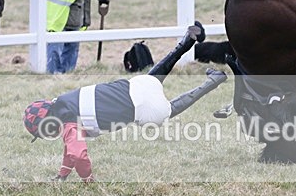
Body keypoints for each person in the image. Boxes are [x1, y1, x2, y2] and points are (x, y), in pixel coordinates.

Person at [24, 22, 228, 182]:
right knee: (156, 74)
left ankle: (213, 81)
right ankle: (187, 40)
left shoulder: (68, 124)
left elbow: (78, 154)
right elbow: (70, 152)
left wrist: (88, 180)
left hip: (142, 109)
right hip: (133, 86)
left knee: (171, 109)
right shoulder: (64, 102)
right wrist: (63, 174)